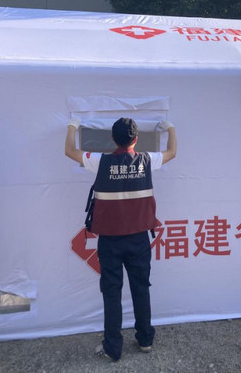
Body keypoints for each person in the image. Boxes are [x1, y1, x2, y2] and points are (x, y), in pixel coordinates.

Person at [65, 116, 177, 361]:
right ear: (136, 139)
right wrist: (170, 127)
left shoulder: (100, 161)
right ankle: (145, 340)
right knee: (141, 288)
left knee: (112, 292)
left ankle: (113, 348)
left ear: (112, 138)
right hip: (139, 239)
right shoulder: (147, 160)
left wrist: (72, 126)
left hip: (110, 241)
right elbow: (172, 152)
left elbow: (69, 151)